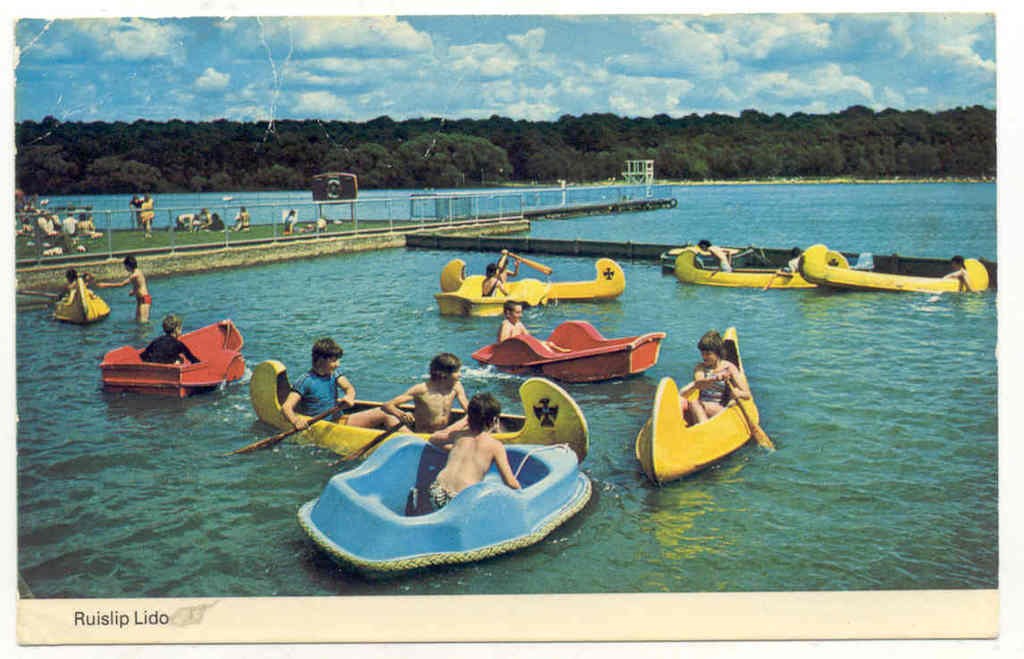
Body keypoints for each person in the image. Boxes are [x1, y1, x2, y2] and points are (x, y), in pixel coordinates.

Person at [423, 392, 521, 511]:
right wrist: (522, 496)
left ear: (468, 418)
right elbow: (510, 483)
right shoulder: (495, 446)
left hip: (437, 492)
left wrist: (454, 448)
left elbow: (433, 439)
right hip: (461, 499)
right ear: (495, 421)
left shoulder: (458, 435)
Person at [281, 338, 395, 431]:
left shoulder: (334, 374)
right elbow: (286, 407)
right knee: (384, 415)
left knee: (386, 413)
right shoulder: (305, 381)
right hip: (319, 426)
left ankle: (411, 439)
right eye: (334, 361)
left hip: (338, 420)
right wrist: (296, 421)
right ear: (321, 360)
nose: (338, 364)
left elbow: (349, 388)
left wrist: (349, 397)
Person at [380, 353, 471, 435]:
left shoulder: (456, 387)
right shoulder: (421, 389)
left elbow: (467, 409)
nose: (460, 375)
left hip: (443, 434)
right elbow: (387, 405)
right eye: (457, 372)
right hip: (422, 435)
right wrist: (401, 415)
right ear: (442, 374)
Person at [679, 330, 752, 425]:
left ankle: (704, 429)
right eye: (702, 353)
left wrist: (738, 393)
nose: (704, 357)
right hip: (700, 407)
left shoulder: (729, 367)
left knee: (694, 403)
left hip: (719, 409)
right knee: (682, 401)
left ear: (717, 353)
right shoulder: (700, 367)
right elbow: (699, 384)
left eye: (708, 354)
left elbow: (747, 394)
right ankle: (701, 424)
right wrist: (715, 378)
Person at [94, 254, 151, 323]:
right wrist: (134, 291)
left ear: (129, 265)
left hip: (144, 299)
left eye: (125, 266)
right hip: (140, 299)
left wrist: (105, 285)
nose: (125, 268)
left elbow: (121, 284)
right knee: (138, 321)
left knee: (143, 321)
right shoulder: (137, 272)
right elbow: (139, 285)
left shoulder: (135, 274)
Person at [497, 301, 569, 352]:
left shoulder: (518, 323)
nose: (521, 315)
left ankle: (558, 352)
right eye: (518, 313)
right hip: (511, 352)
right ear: (508, 313)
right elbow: (503, 344)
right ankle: (553, 356)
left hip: (519, 349)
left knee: (548, 344)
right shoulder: (506, 325)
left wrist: (542, 343)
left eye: (521, 312)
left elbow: (529, 337)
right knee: (543, 346)